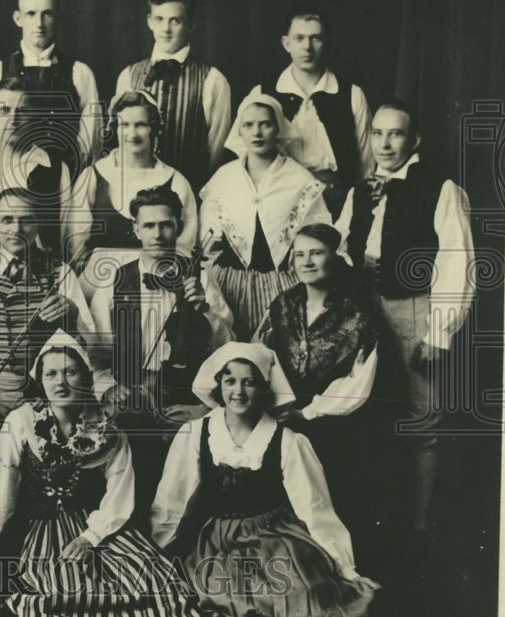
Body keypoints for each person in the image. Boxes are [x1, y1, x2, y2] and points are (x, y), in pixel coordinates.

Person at [152, 342, 390, 617]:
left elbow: (315, 509)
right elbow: (173, 499)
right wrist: (157, 550)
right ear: (218, 385)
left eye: (249, 382)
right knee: (219, 588)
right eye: (230, 381)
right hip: (217, 540)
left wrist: (347, 569)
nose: (239, 391)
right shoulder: (196, 433)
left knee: (297, 591)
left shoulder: (287, 440)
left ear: (263, 387)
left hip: (275, 537)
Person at [0, 330, 198, 617]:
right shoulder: (20, 421)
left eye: (70, 372)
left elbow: (119, 493)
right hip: (42, 525)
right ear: (40, 379)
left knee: (155, 583)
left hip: (96, 525)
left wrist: (90, 538)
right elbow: (6, 485)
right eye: (51, 374)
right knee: (61, 585)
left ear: (86, 378)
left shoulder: (105, 427)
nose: (60, 382)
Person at [335, 99, 475, 541]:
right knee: (366, 409)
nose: (385, 143)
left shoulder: (440, 187)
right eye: (377, 133)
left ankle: (418, 524)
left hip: (415, 308)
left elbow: (458, 260)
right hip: (363, 307)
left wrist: (440, 332)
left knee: (420, 418)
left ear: (413, 140)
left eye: (395, 134)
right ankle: (375, 516)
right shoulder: (361, 190)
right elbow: (340, 245)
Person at [89, 185, 234, 521]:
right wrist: (108, 387)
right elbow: (94, 353)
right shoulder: (114, 280)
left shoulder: (199, 276)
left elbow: (227, 348)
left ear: (179, 226)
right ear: (135, 229)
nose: (158, 234)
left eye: (166, 225)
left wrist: (206, 312)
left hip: (183, 397)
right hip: (129, 395)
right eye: (149, 226)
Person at [255, 223, 383, 543]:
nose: (306, 262)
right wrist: (277, 405)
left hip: (332, 427)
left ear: (334, 257)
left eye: (316, 253)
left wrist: (309, 413)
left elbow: (358, 381)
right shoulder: (282, 304)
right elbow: (262, 355)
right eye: (299, 254)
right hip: (280, 416)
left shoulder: (357, 313)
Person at [0, 188, 93, 434]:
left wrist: (72, 314)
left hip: (44, 394)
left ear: (38, 223)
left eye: (25, 220)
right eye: (7, 220)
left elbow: (88, 345)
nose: (16, 229)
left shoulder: (60, 271)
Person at [198, 94, 331, 341]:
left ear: (278, 128)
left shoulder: (299, 179)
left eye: (265, 124)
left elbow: (320, 236)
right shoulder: (224, 178)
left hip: (281, 286)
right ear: (239, 130)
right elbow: (206, 241)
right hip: (228, 286)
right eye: (248, 125)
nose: (256, 132)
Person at [219, 8, 372, 217]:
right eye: (299, 38)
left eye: (315, 38)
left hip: (335, 200)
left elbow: (366, 161)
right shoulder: (262, 93)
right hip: (279, 199)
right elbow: (241, 154)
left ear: (326, 42)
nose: (307, 47)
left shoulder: (351, 95)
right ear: (286, 43)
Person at [67, 89, 198, 298]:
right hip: (100, 280)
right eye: (124, 125)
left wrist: (165, 278)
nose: (132, 134)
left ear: (154, 128)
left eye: (141, 125)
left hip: (155, 279)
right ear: (115, 128)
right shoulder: (94, 175)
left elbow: (185, 244)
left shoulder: (175, 181)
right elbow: (76, 242)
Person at [0, 0, 102, 178]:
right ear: (18, 18)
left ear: (58, 18)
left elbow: (90, 145)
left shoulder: (80, 73)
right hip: (7, 186)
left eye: (47, 14)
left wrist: (64, 181)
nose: (39, 24)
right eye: (31, 14)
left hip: (67, 186)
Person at [114, 0, 231, 191]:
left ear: (191, 24)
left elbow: (216, 150)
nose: (165, 29)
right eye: (159, 19)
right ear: (149, 21)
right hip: (135, 194)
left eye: (175, 20)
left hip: (190, 192)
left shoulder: (213, 79)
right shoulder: (129, 75)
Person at [0, 76, 74, 266]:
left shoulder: (53, 168)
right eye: (4, 111)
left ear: (34, 115)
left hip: (39, 274)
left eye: (22, 111)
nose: (13, 120)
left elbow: (67, 234)